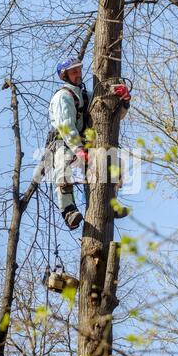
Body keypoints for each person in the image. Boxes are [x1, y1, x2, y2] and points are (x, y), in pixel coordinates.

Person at [49, 57, 131, 230]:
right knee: (63, 168)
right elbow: (65, 125)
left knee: (111, 160)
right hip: (65, 142)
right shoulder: (62, 96)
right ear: (64, 76)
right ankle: (68, 211)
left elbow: (109, 114)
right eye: (73, 72)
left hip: (85, 141)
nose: (78, 74)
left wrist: (123, 101)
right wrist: (78, 149)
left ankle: (110, 202)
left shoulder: (86, 95)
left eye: (79, 70)